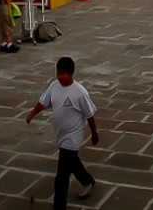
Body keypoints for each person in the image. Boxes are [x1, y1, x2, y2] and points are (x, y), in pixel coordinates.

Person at [26, 56, 99, 209]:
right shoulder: (54, 86)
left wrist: (94, 133)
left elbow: (89, 114)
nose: (60, 77)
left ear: (71, 74)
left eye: (63, 74)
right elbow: (44, 101)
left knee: (62, 175)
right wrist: (33, 113)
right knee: (72, 161)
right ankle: (87, 181)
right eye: (58, 73)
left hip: (73, 136)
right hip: (60, 134)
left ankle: (59, 206)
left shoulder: (80, 93)